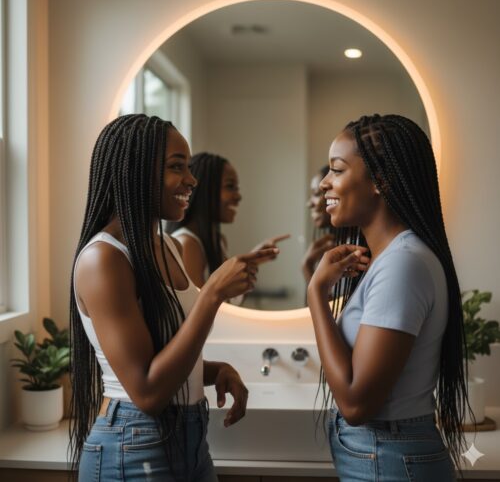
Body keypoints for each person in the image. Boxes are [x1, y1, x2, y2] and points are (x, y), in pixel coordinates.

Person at [69, 115, 278, 481]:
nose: (191, 180)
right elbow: (148, 392)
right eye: (176, 167)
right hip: (135, 446)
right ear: (134, 171)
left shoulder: (167, 246)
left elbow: (164, 356)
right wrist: (211, 293)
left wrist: (214, 371)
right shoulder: (103, 259)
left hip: (190, 439)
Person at [307, 114, 467, 481]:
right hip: (389, 455)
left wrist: (316, 294)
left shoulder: (402, 265)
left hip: (390, 457)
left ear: (381, 181)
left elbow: (355, 403)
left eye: (337, 170)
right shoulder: (392, 260)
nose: (325, 183)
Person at [167, 152, 289, 293]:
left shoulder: (218, 241)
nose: (238, 196)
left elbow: (227, 305)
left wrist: (252, 260)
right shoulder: (188, 244)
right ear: (205, 189)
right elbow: (198, 311)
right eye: (230, 187)